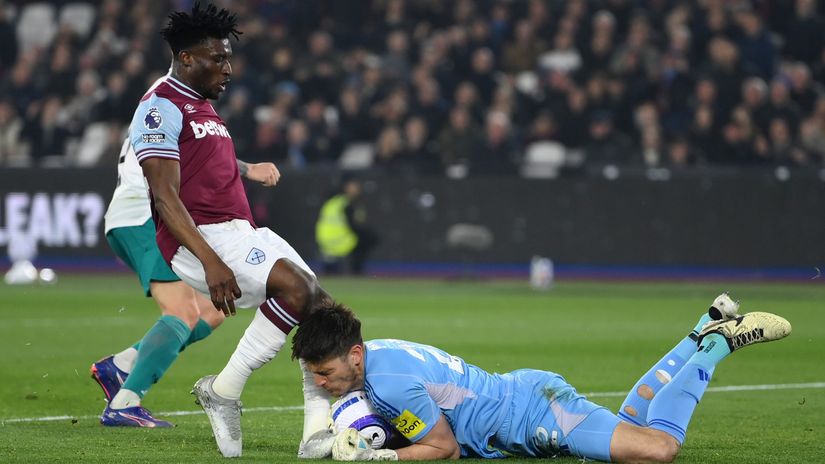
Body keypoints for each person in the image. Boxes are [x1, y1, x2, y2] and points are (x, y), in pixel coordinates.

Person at [130, 3, 333, 456]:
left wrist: (246, 168)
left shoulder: (199, 105)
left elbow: (203, 157)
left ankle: (316, 430)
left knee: (318, 305)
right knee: (298, 290)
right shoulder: (159, 106)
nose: (229, 68)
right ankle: (224, 391)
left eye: (228, 58)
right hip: (204, 238)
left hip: (239, 230)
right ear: (186, 59)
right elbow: (165, 195)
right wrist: (210, 260)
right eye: (218, 59)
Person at [291, 294, 791, 462]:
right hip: (523, 396)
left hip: (533, 415)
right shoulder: (378, 358)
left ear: (354, 355)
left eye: (327, 374)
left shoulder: (390, 381)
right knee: (627, 426)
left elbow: (443, 448)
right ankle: (702, 329)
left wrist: (380, 457)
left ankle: (719, 344)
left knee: (657, 450)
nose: (322, 384)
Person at [90, 131, 280, 427]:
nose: (223, 81)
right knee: (182, 312)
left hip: (147, 215)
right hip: (146, 215)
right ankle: (125, 403)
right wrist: (249, 169)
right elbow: (205, 155)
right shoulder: (173, 102)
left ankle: (121, 365)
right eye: (219, 79)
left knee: (213, 309)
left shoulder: (175, 101)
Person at [315, 179, 378, 275]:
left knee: (330, 269)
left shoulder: (334, 201)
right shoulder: (347, 204)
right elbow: (354, 226)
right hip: (340, 240)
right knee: (368, 240)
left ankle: (332, 270)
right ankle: (356, 272)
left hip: (324, 241)